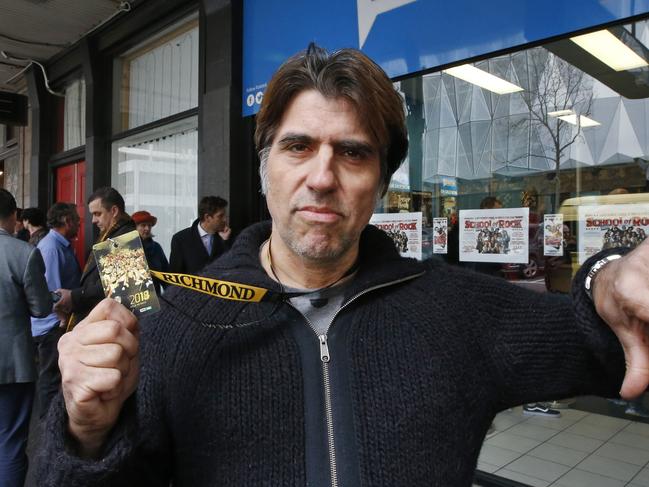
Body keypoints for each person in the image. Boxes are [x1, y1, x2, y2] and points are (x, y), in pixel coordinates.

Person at [35, 45, 649, 486]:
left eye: (352, 153)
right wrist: (86, 433)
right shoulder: (173, 323)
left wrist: (607, 275)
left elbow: (603, 335)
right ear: (264, 165)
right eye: (298, 146)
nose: (322, 177)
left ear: (380, 181)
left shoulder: (458, 309)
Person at [0, 189, 52, 487]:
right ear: (14, 216)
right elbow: (41, 307)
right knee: (10, 442)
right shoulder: (24, 253)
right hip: (13, 365)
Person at [55, 187, 135, 330]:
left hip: (113, 326)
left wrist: (73, 296)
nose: (93, 220)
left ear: (114, 211)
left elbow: (113, 288)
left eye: (98, 214)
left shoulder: (123, 237)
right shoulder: (112, 235)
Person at [31, 203, 82, 418]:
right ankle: (48, 429)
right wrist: (61, 320)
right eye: (77, 220)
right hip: (53, 326)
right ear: (66, 221)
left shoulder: (61, 245)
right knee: (51, 378)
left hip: (56, 325)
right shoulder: (51, 247)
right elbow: (53, 292)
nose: (81, 224)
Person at [169, 195, 232, 274]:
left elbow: (232, 266)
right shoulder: (181, 239)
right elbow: (175, 275)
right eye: (220, 216)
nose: (225, 219)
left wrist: (225, 241)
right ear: (207, 217)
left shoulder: (227, 238)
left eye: (225, 215)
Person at [132, 210, 169, 294]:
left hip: (155, 298)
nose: (147, 228)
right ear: (134, 227)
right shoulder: (126, 248)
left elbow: (166, 276)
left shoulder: (156, 248)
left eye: (149, 225)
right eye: (143, 225)